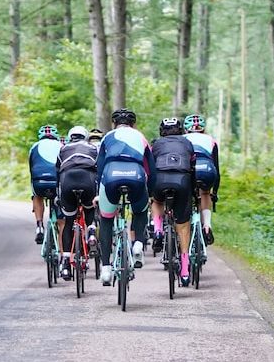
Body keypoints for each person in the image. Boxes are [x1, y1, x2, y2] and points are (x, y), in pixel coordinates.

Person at [97, 108, 154, 284]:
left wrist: (98, 191)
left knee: (106, 219)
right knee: (140, 210)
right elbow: (151, 169)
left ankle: (106, 269)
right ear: (133, 124)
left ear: (114, 123)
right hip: (135, 176)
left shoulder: (107, 137)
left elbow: (98, 168)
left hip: (111, 177)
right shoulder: (141, 137)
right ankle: (137, 244)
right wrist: (150, 194)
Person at [149, 118, 197, 286]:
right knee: (183, 225)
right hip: (182, 180)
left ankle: (157, 230)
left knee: (156, 201)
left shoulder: (156, 145)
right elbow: (193, 168)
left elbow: (149, 167)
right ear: (180, 130)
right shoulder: (187, 143)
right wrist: (193, 193)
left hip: (160, 179)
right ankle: (184, 271)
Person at [55, 126, 98, 281]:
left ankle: (66, 263)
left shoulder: (63, 149)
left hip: (68, 180)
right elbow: (99, 171)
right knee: (90, 209)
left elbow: (57, 173)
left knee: (68, 221)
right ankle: (92, 231)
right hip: (87, 180)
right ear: (85, 136)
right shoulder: (93, 148)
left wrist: (58, 195)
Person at [184, 113, 219, 244]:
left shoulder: (183, 139)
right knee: (205, 193)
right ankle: (207, 226)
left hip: (189, 170)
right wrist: (214, 193)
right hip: (207, 169)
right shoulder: (211, 140)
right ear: (203, 129)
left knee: (185, 194)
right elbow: (217, 168)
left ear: (186, 129)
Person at [29, 124, 62, 244]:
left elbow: (31, 168)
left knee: (36, 195)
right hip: (57, 182)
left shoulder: (34, 147)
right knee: (62, 202)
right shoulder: (62, 145)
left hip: (39, 182)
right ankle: (64, 250)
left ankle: (39, 226)